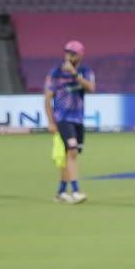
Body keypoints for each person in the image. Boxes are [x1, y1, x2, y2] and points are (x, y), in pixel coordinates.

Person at [44, 39, 94, 203]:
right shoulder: (55, 73)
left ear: (80, 55)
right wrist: (51, 122)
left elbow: (91, 88)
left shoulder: (85, 71)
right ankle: (76, 191)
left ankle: (61, 192)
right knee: (71, 151)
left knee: (70, 155)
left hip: (78, 119)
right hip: (63, 118)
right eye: (67, 52)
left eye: (72, 53)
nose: (68, 56)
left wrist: (75, 74)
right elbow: (47, 99)